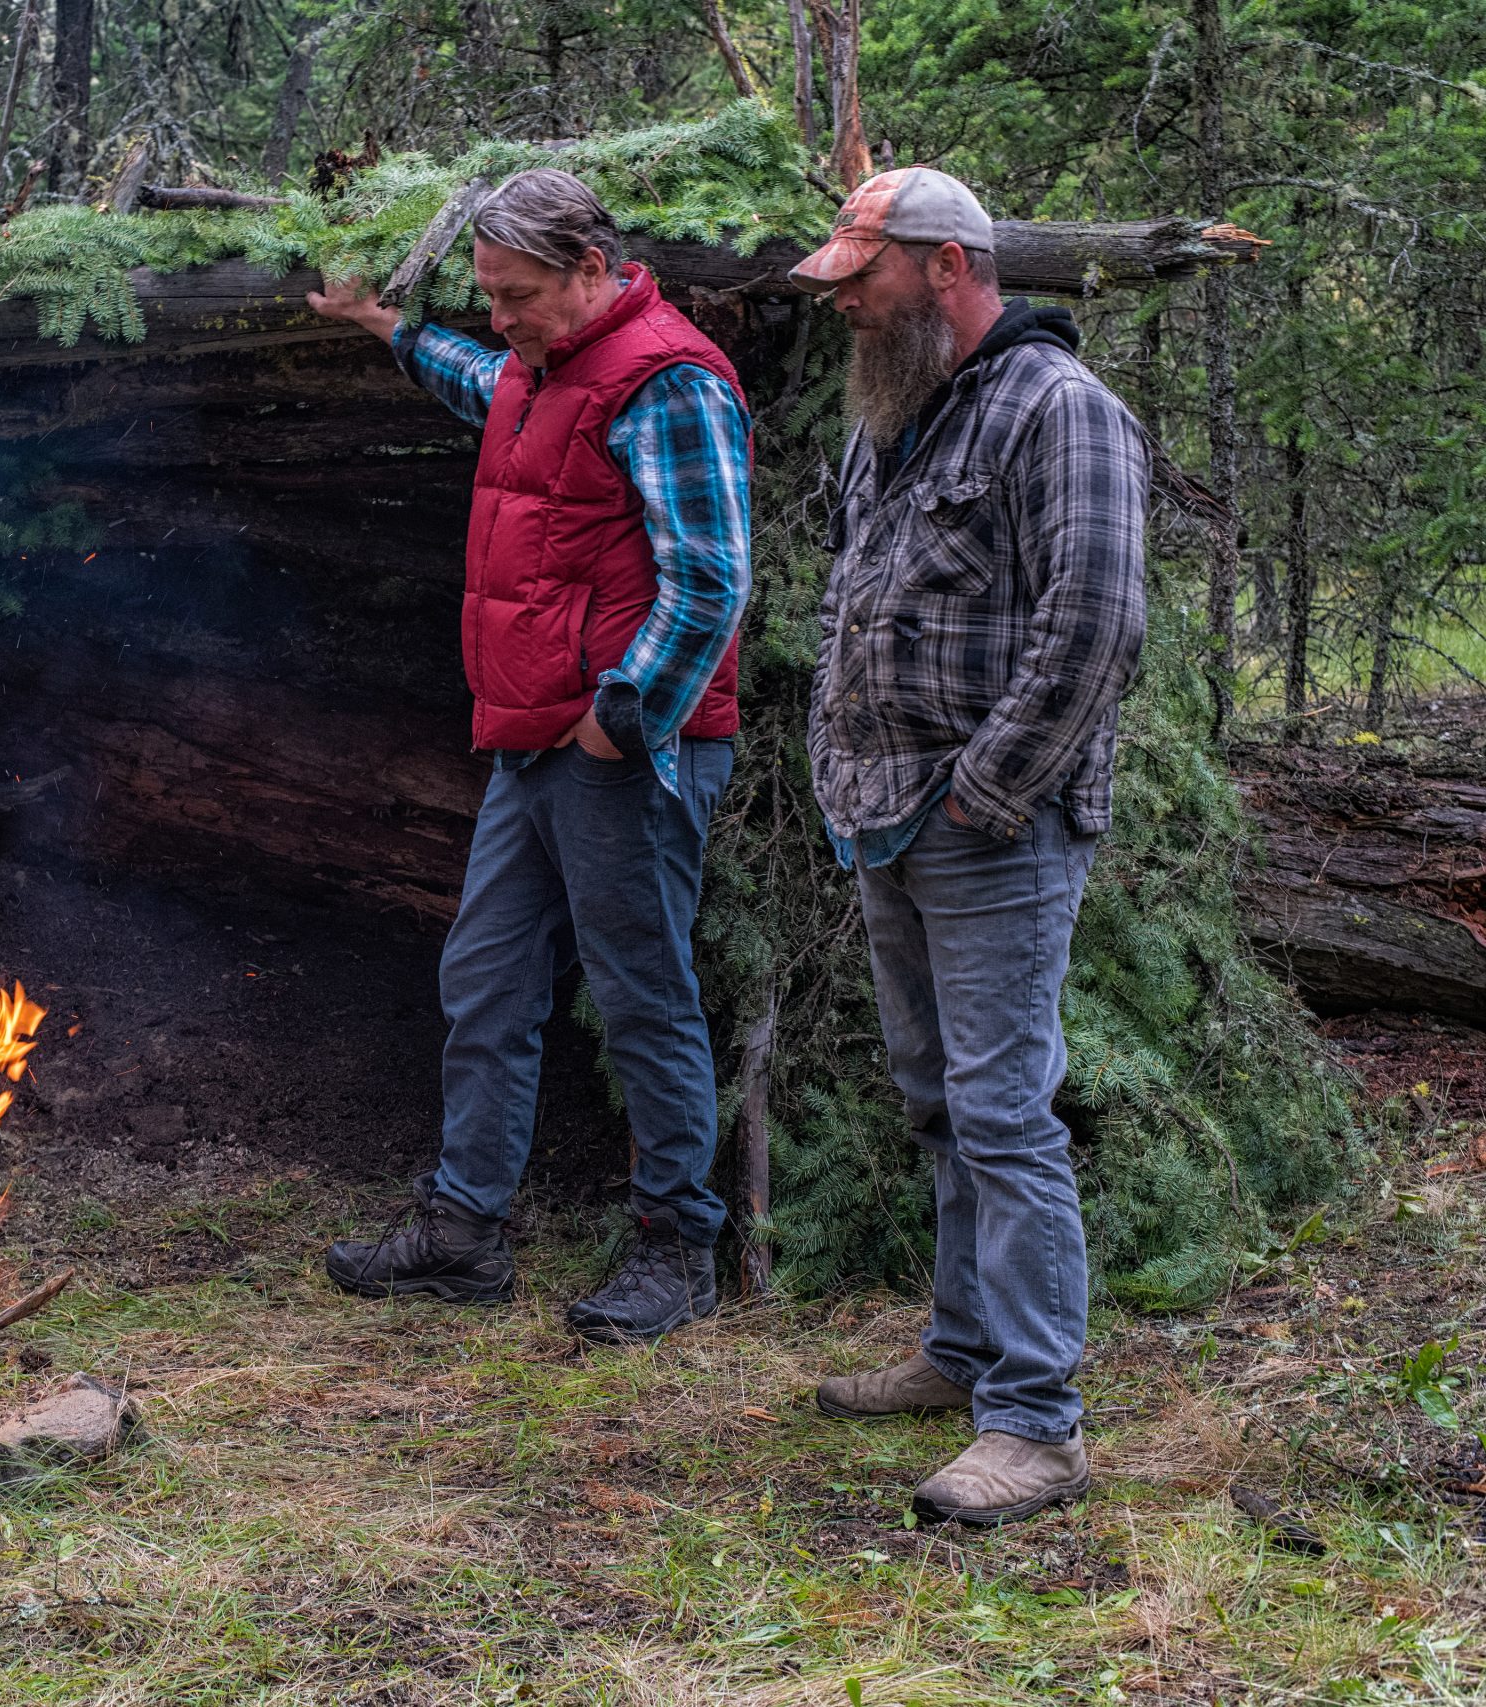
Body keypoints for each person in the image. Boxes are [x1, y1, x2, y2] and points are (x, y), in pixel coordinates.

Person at [302, 167, 753, 1343]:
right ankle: (464, 1233)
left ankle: (677, 1248)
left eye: (516, 294)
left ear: (592, 270)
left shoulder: (668, 381)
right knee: (487, 979)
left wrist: (619, 718)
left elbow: (710, 580)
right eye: (485, 294)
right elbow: (482, 384)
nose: (496, 317)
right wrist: (382, 325)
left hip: (622, 751)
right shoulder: (538, 368)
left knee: (641, 996)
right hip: (530, 744)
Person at [791, 168, 1148, 1524]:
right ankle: (962, 1348)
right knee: (938, 1098)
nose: (846, 304)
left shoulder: (1061, 411)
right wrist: (849, 773)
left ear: (946, 266)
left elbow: (1096, 626)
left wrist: (981, 796)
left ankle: (1038, 1422)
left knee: (1005, 1113)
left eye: (864, 277)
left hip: (986, 828)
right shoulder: (895, 413)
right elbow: (850, 601)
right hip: (884, 813)